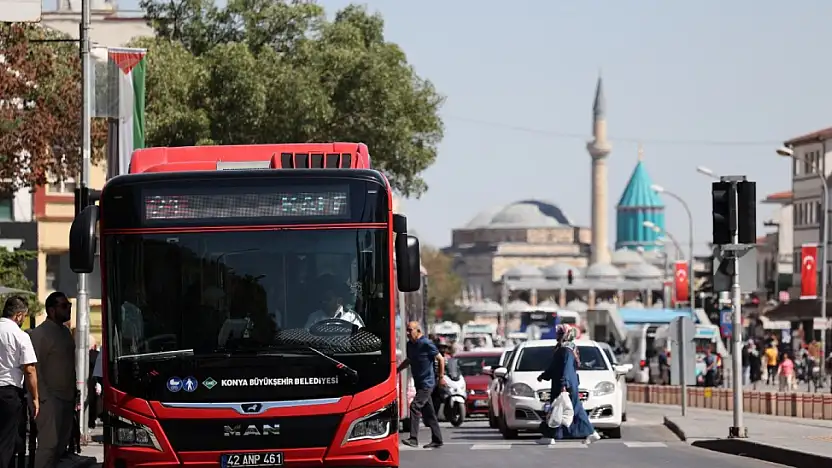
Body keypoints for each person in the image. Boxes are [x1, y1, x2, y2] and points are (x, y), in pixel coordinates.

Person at [29, 292, 77, 468]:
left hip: (67, 398)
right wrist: (42, 397)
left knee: (60, 447)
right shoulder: (40, 334)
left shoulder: (65, 332)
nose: (68, 309)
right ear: (51, 310)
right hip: (49, 399)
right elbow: (34, 368)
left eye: (69, 306)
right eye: (64, 306)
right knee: (48, 446)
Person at [536, 324, 600, 446]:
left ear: (566, 335)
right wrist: (544, 376)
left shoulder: (566, 350)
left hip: (565, 385)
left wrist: (564, 385)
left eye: (560, 333)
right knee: (573, 410)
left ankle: (549, 436)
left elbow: (566, 368)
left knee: (557, 409)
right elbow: (555, 366)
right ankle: (591, 433)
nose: (557, 335)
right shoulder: (565, 348)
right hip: (568, 384)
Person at [0, 296, 39, 468]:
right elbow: (29, 369)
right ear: (18, 315)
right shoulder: (20, 335)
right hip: (9, 393)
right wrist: (35, 398)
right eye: (24, 316)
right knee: (6, 442)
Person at [397, 321, 443, 449]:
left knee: (415, 406)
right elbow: (409, 360)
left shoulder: (426, 343)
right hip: (419, 382)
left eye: (410, 330)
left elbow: (440, 359)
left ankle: (413, 438)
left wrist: (441, 377)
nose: (407, 333)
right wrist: (397, 370)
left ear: (418, 331)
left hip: (427, 383)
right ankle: (437, 439)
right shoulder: (410, 345)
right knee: (429, 413)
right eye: (407, 330)